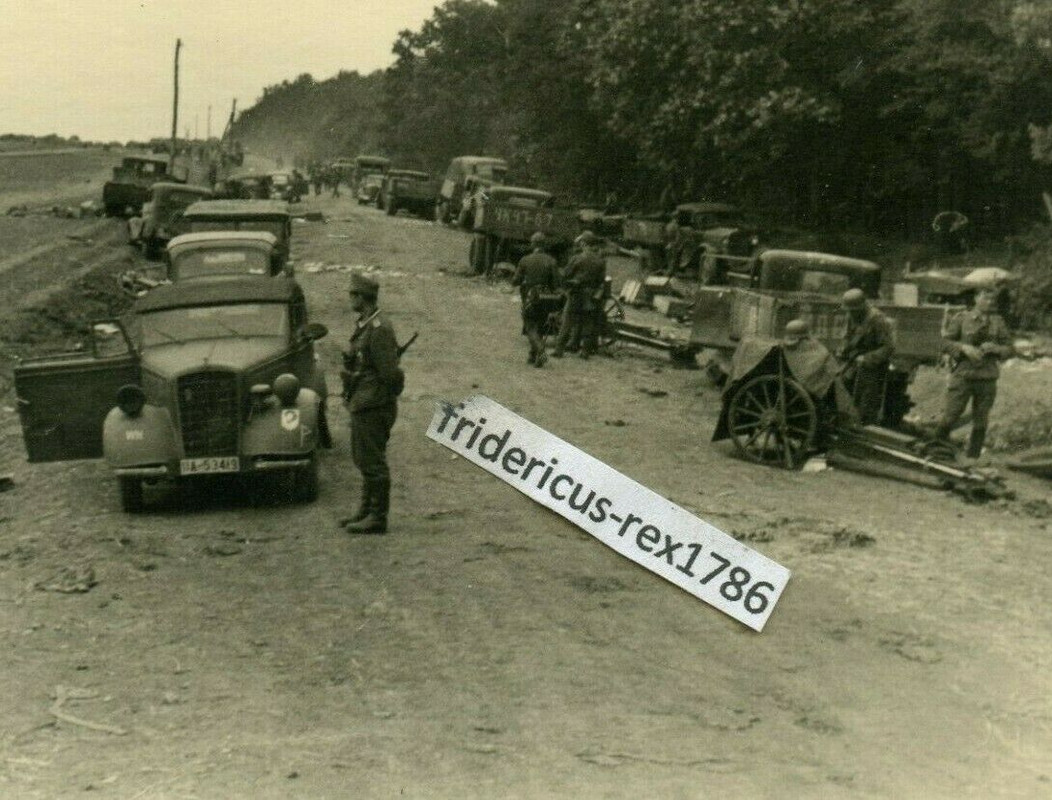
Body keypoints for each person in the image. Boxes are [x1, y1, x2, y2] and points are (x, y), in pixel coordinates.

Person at [340, 274, 403, 534]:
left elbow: (390, 374)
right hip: (364, 401)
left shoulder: (379, 329)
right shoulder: (366, 324)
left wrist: (381, 397)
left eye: (352, 294)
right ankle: (366, 510)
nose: (350, 298)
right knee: (363, 459)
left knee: (372, 461)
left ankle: (378, 516)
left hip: (373, 404)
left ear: (361, 297)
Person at [934, 287, 1013, 459]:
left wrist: (997, 349)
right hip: (964, 376)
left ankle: (973, 458)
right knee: (951, 414)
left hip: (987, 377)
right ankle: (935, 450)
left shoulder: (998, 322)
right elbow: (944, 342)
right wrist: (963, 347)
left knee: (981, 419)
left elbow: (1010, 349)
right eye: (986, 298)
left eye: (992, 299)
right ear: (976, 298)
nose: (990, 302)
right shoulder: (962, 319)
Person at [837, 288, 895, 426]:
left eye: (854, 310)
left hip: (873, 365)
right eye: (849, 310)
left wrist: (868, 358)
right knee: (840, 384)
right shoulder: (852, 315)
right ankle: (844, 422)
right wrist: (842, 349)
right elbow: (847, 337)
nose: (851, 313)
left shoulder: (877, 319)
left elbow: (888, 347)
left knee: (866, 400)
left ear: (861, 307)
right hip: (854, 360)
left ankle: (866, 427)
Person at [552, 232, 607, 360]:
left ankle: (559, 350)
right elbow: (601, 280)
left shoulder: (577, 258)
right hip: (591, 295)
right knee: (588, 323)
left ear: (584, 243)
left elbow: (566, 274)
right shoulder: (601, 261)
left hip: (576, 293)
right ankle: (585, 352)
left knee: (567, 321)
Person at [512, 232, 560, 367]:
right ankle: (533, 356)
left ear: (533, 244)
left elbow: (516, 280)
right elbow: (556, 284)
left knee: (530, 326)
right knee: (539, 326)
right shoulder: (551, 261)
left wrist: (516, 281)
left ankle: (541, 351)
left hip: (531, 296)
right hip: (548, 298)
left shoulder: (525, 260)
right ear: (544, 245)